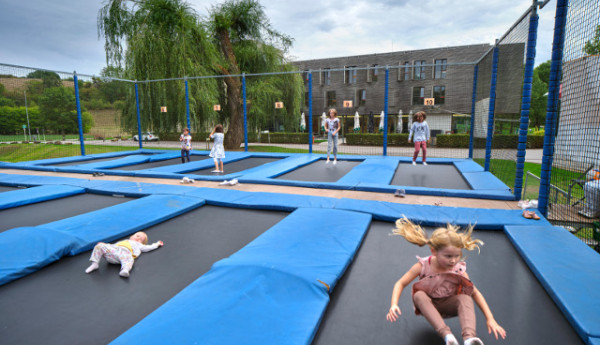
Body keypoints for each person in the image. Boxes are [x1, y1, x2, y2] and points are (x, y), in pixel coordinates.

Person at [386, 217, 506, 345]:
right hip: (428, 305)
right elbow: (400, 283)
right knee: (419, 295)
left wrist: (490, 319)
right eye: (448, 256)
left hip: (449, 305)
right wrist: (394, 304)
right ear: (434, 251)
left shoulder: (458, 269)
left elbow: (475, 293)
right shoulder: (423, 266)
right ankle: (448, 337)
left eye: (457, 256)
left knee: (465, 296)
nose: (453, 261)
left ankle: (470, 339)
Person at [85, 231, 164, 278]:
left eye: (141, 239)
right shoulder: (123, 242)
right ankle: (95, 264)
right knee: (99, 246)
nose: (138, 239)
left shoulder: (138, 245)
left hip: (123, 255)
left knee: (129, 258)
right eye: (137, 236)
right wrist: (105, 245)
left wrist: (157, 244)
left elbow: (148, 247)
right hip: (113, 254)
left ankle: (125, 269)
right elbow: (113, 246)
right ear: (131, 236)